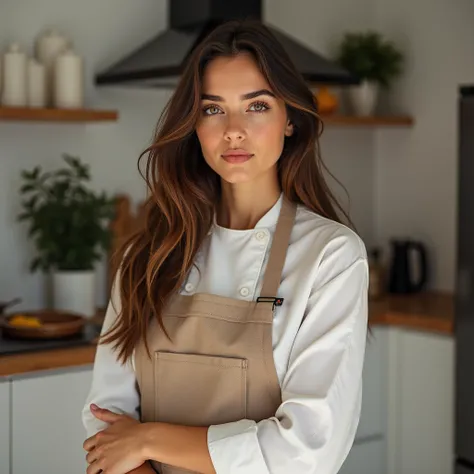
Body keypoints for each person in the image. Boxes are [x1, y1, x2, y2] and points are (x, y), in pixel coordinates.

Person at [81, 19, 368, 474]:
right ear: (194, 124)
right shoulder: (146, 257)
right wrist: (133, 446)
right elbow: (108, 421)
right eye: (213, 109)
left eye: (256, 106)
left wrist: (150, 439)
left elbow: (307, 448)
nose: (233, 130)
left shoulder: (331, 256)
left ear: (289, 120)